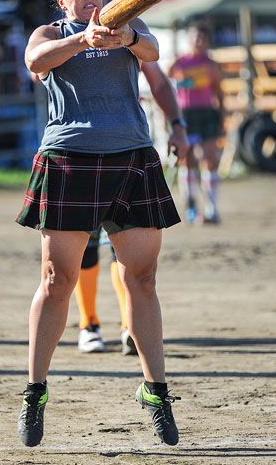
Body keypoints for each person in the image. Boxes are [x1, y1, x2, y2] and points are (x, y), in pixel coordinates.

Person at [16, 0, 182, 448]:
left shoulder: (128, 28)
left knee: (144, 278)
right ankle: (35, 391)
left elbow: (154, 52)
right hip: (69, 160)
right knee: (57, 278)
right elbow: (36, 61)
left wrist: (125, 39)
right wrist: (80, 40)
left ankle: (155, 390)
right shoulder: (51, 31)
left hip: (131, 157)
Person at [75, 61, 189, 355]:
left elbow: (158, 79)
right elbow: (37, 70)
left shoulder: (126, 29)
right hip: (77, 153)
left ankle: (129, 325)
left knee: (124, 245)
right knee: (82, 244)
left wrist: (178, 124)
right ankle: (89, 323)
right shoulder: (58, 33)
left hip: (127, 149)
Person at [168, 23, 224, 224]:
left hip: (207, 113)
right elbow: (164, 87)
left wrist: (222, 116)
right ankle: (190, 207)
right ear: (188, 39)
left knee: (210, 158)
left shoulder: (210, 64)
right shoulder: (178, 64)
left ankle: (212, 209)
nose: (198, 41)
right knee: (188, 160)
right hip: (186, 115)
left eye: (201, 38)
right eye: (194, 37)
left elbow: (219, 91)